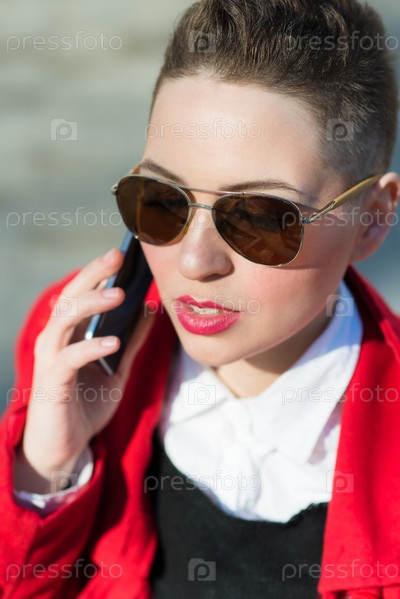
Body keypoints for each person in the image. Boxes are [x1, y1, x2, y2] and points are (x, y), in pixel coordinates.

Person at [1, 0, 400, 597]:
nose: (193, 261)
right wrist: (48, 472)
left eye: (261, 217)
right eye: (162, 199)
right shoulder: (76, 345)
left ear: (372, 219)